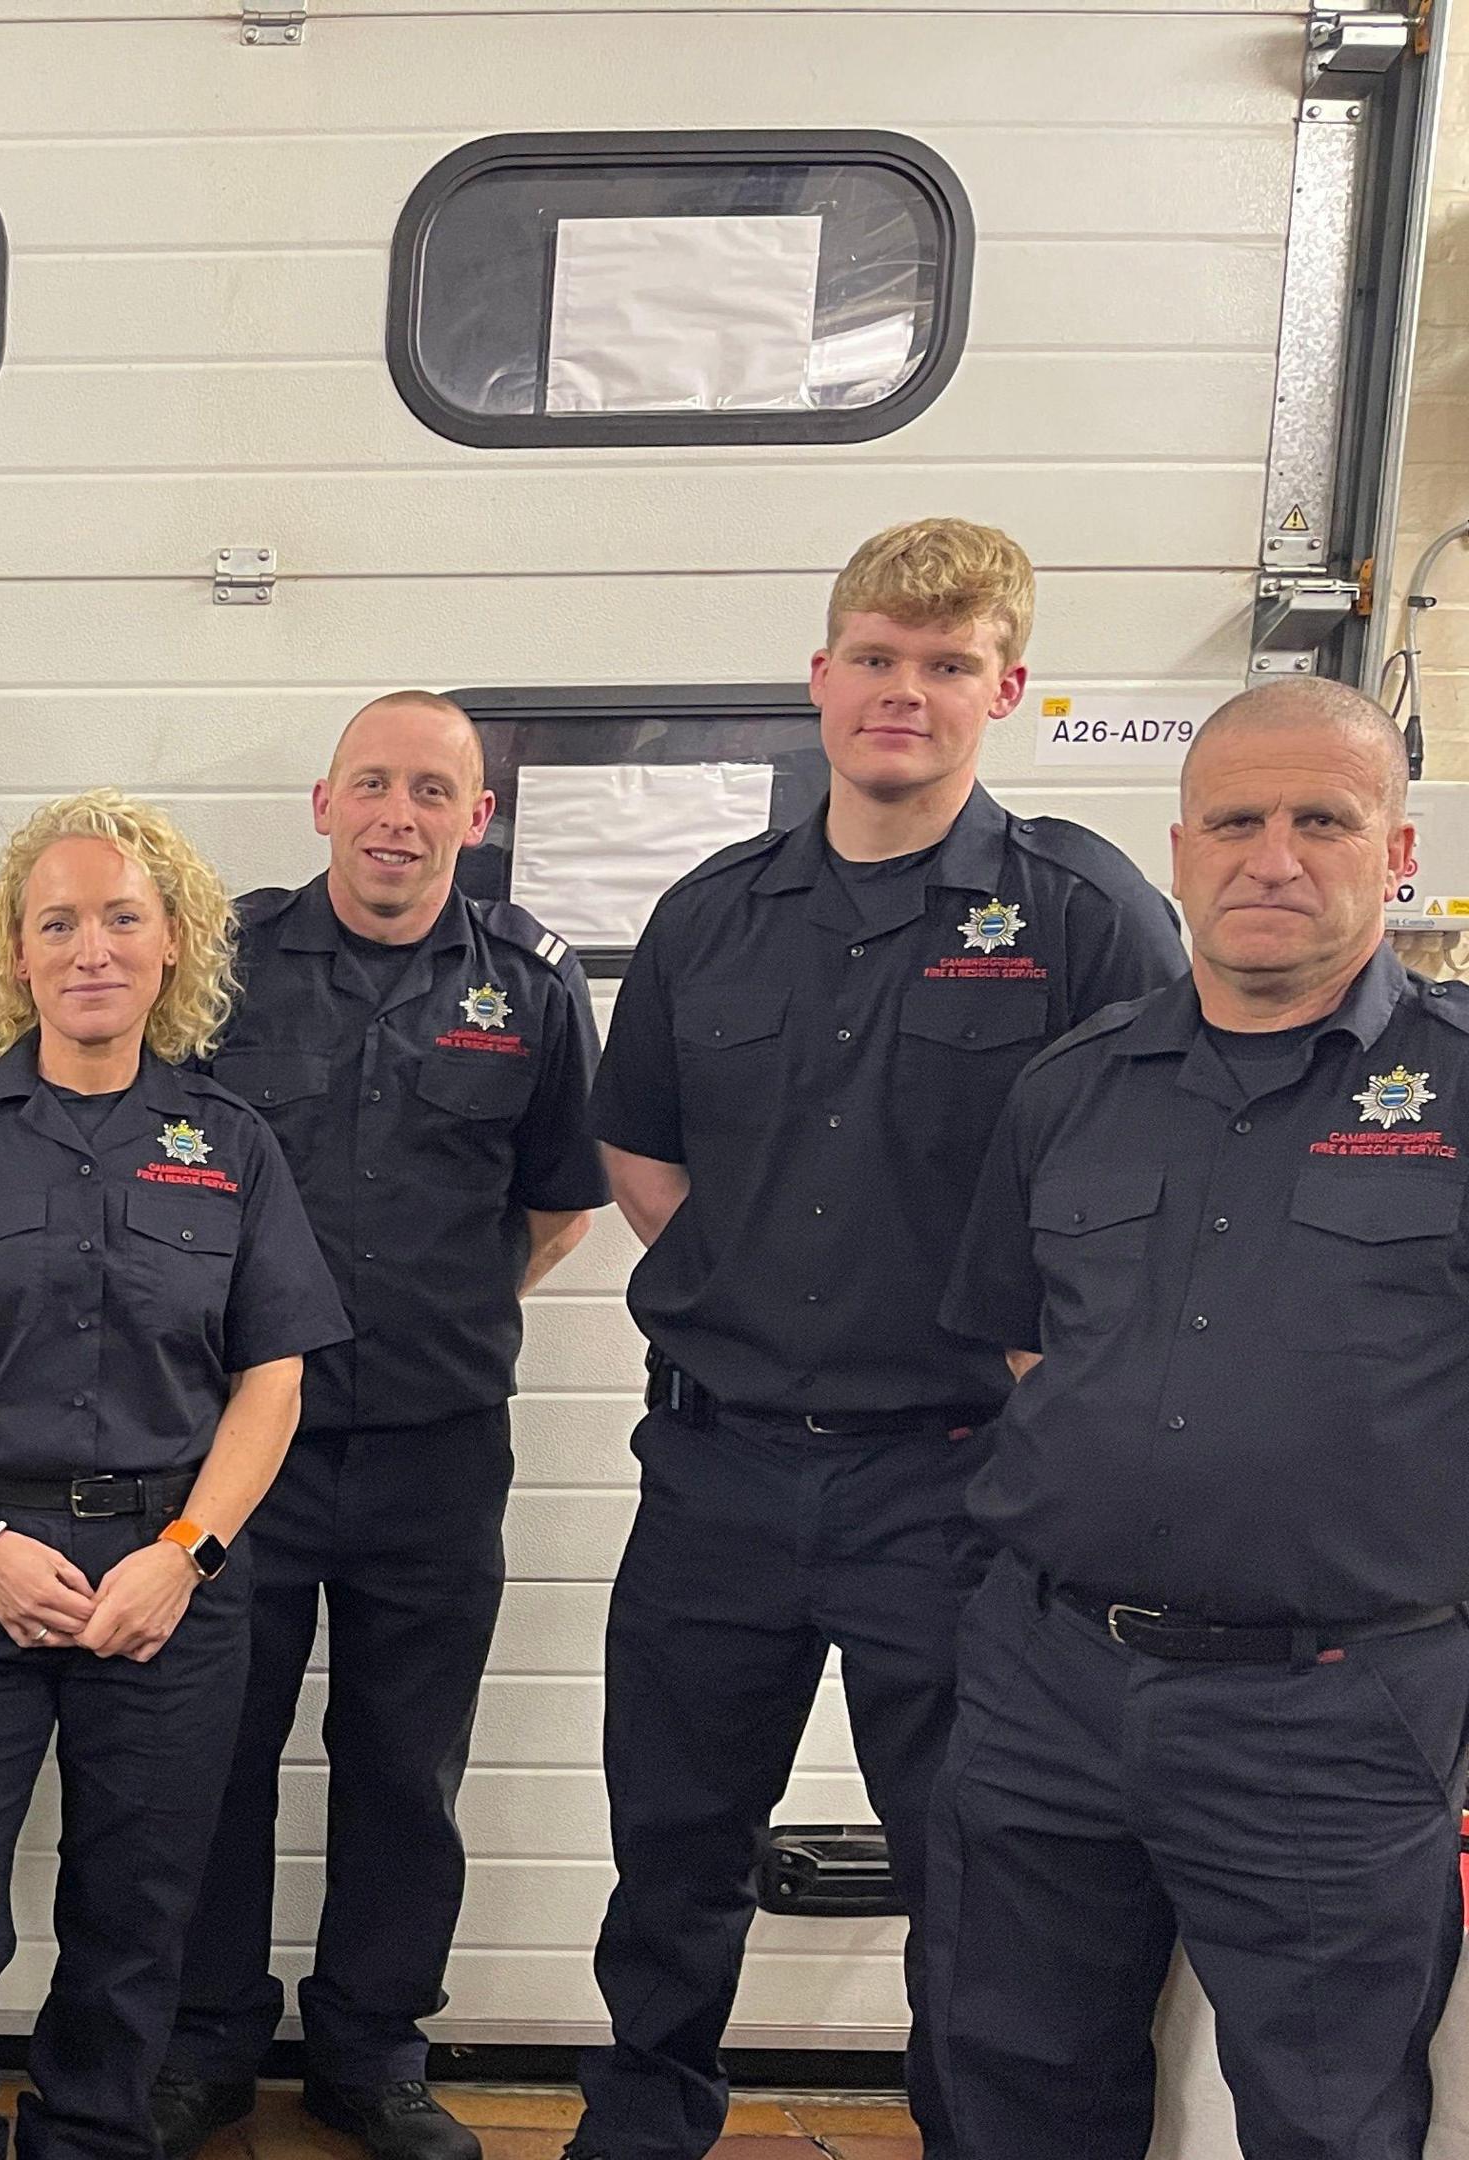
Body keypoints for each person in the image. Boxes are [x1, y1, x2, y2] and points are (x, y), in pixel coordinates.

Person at [566, 519, 1185, 2160]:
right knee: (673, 1852)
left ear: (1007, 689)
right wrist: (745, 1272)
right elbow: (638, 1139)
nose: (903, 693)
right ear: (821, 676)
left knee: (977, 1869)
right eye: (878, 659)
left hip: (961, 1489)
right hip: (717, 1470)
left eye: (947, 665)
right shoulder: (711, 912)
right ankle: (640, 2131)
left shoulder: (1082, 912)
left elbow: (1157, 1171)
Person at [929, 678, 1468, 2158]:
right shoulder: (1070, 1089)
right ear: (1179, 851)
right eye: (1235, 821)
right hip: (1051, 1689)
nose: (1273, 857)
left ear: (1395, 849)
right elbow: (1026, 1349)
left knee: (1329, 2114)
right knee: (1015, 2084)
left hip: (1338, 1707)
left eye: (1322, 820)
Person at [0, 788, 349, 2160]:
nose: (89, 947)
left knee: (134, 1918)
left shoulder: (230, 1147)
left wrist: (187, 1554)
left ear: (174, 946)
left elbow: (272, 1381)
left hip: (167, 1582)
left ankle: (91, 2139)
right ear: (14, 955)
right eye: (57, 923)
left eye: (121, 918)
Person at [156, 696, 605, 2160]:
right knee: (216, 1751)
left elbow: (555, 1209)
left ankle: (371, 2050)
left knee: (407, 1766)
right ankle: (207, 2039)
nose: (398, 814)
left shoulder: (531, 984)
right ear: (322, 802)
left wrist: (435, 1315)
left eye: (432, 790)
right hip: (245, 1443)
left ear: (476, 819)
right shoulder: (226, 971)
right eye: (372, 784)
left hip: (436, 1442)